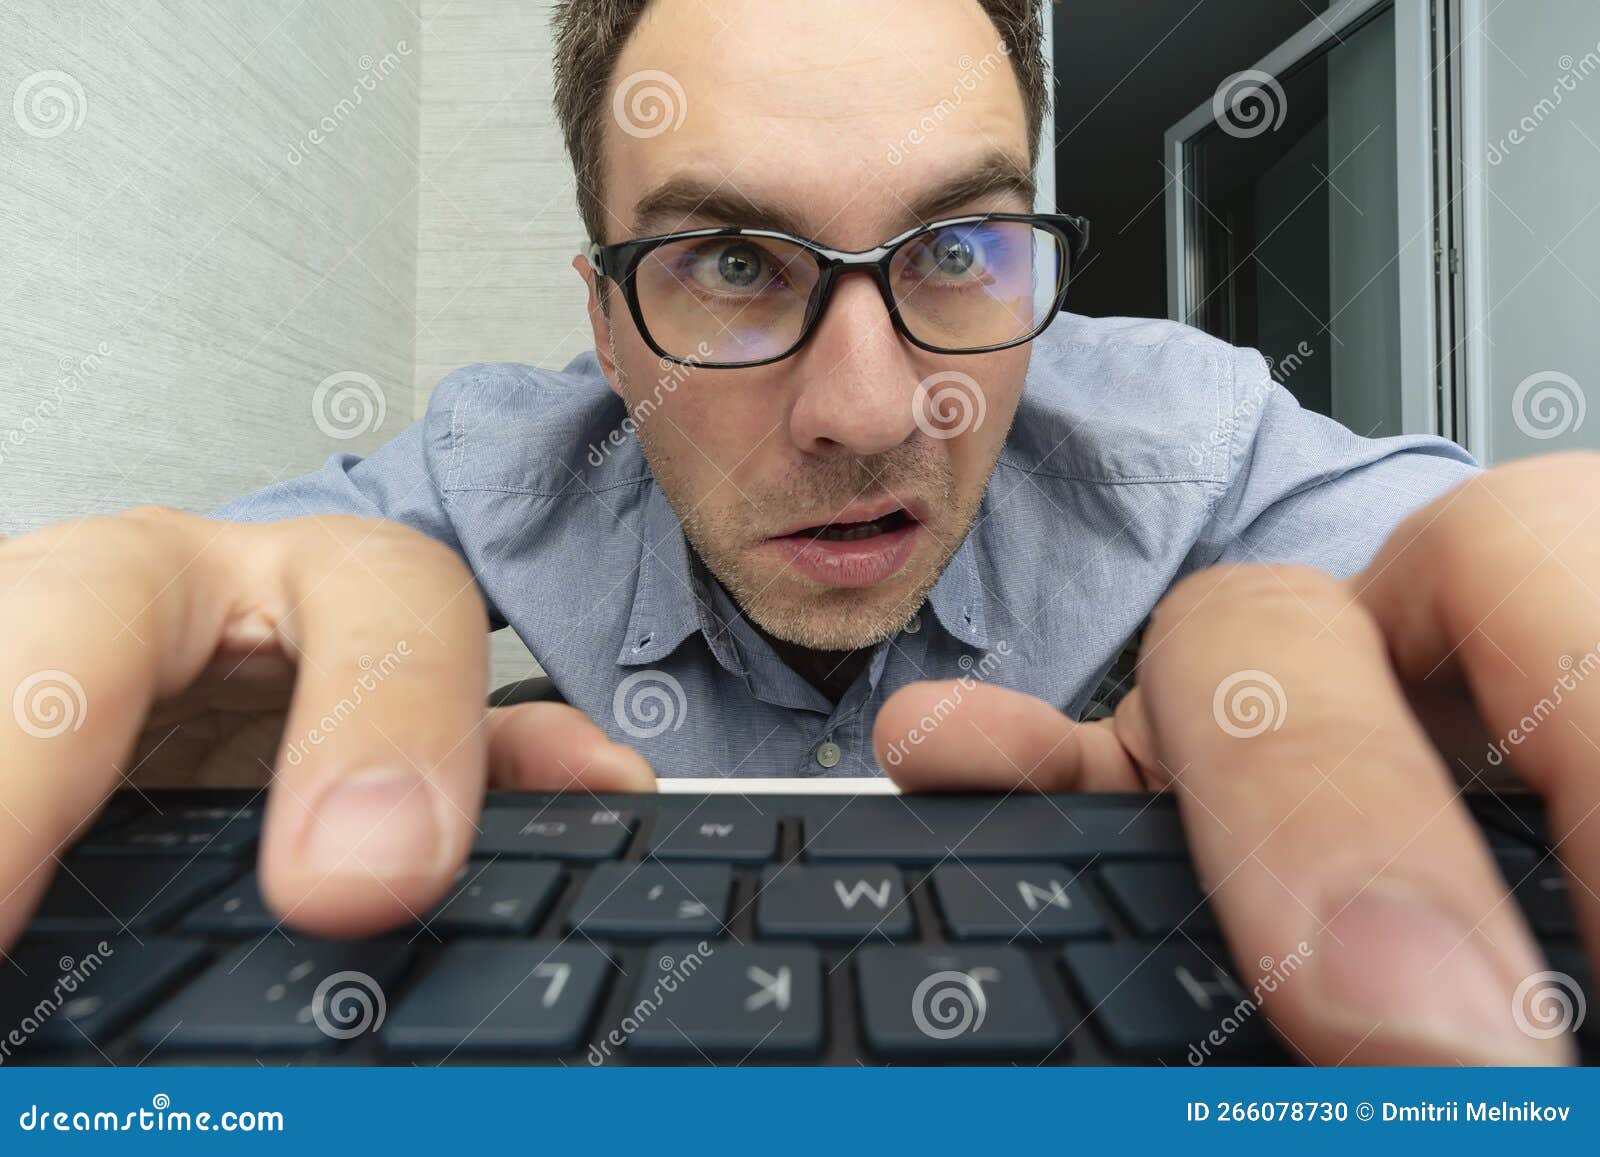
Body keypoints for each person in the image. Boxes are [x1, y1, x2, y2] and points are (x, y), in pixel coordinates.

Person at [0, 0, 1590, 1066]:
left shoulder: (1187, 431)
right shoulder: (506, 462)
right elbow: (248, 589)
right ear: (607, 328)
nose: (869, 409)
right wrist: (162, 775)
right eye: (732, 262)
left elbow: (1458, 564)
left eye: (958, 248)